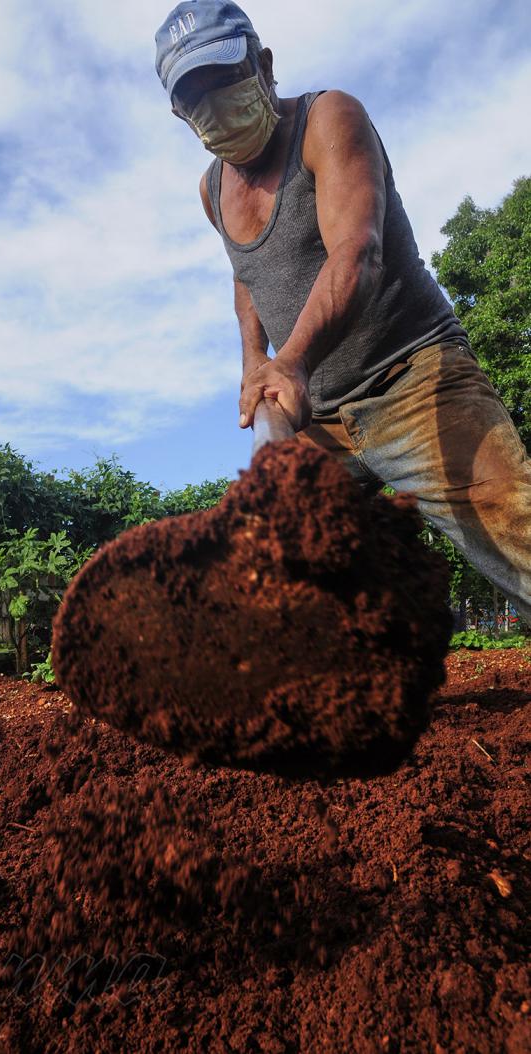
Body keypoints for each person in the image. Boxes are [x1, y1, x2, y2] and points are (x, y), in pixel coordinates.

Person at [155, 0, 531, 625]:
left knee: (514, 530)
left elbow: (359, 252)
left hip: (411, 379)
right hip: (316, 422)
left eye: (224, 78)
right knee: (272, 574)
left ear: (264, 64)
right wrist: (255, 361)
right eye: (194, 97)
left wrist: (292, 362)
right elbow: (246, 274)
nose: (213, 105)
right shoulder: (212, 189)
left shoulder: (328, 118)